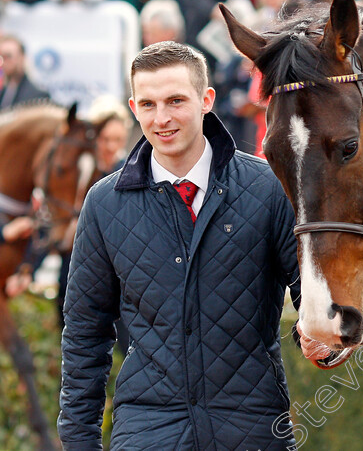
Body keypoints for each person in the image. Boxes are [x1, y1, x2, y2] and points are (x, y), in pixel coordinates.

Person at [58, 41, 302, 449]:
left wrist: (323, 340)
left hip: (254, 428)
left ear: (207, 100)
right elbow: (85, 334)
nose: (162, 118)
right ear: (134, 108)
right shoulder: (104, 203)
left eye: (175, 101)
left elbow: (312, 297)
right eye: (148, 104)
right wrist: (80, 442)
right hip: (147, 430)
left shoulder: (269, 187)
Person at [0, 36, 50, 109]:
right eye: (1, 57)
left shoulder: (38, 97)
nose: (3, 62)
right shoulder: (3, 92)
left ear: (22, 57)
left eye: (8, 56)